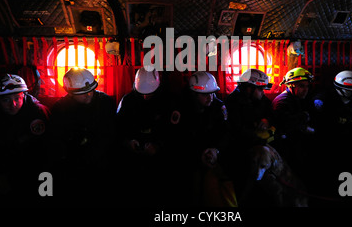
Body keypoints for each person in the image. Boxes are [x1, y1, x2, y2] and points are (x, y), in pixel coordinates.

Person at [0, 74, 50, 207]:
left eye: (17, 98)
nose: (13, 105)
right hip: (11, 169)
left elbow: (48, 149)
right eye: (6, 100)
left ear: (24, 95)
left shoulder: (37, 113)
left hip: (40, 170)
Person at [50, 67, 116, 207]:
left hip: (103, 162)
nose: (89, 95)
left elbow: (111, 133)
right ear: (70, 93)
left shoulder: (105, 102)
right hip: (75, 165)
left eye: (91, 90)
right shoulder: (60, 109)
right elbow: (57, 142)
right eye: (83, 93)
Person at [171, 71, 235, 206]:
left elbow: (226, 132)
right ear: (194, 94)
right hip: (190, 158)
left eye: (212, 93)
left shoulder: (218, 107)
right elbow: (179, 140)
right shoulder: (182, 108)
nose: (210, 97)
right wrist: (199, 155)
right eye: (205, 94)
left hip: (215, 155)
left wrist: (216, 150)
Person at [114, 66, 175, 206]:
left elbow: (175, 132)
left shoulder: (168, 101)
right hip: (133, 157)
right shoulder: (127, 101)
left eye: (150, 93)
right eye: (142, 93)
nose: (145, 96)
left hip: (161, 159)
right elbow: (118, 128)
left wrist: (159, 145)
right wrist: (128, 142)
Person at [309, 70, 352, 205]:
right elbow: (322, 128)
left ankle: (344, 197)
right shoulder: (322, 101)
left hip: (346, 148)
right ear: (345, 91)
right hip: (325, 149)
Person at [271, 67, 315, 184]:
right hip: (287, 147)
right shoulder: (282, 102)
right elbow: (286, 126)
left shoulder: (298, 98)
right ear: (291, 86)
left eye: (307, 86)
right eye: (301, 86)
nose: (305, 90)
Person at [225, 69, 276, 151]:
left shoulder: (260, 99)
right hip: (242, 147)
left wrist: (267, 120)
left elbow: (273, 114)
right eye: (260, 89)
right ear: (249, 88)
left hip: (260, 141)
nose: (263, 92)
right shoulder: (232, 102)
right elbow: (236, 131)